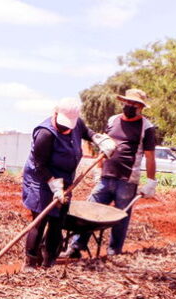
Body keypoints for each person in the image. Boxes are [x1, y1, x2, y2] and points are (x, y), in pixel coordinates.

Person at [64, 89, 157, 257]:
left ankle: (114, 252)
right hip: (106, 177)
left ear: (141, 107)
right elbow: (104, 145)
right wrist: (99, 170)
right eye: (127, 102)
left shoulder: (147, 127)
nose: (129, 106)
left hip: (127, 180)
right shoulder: (113, 120)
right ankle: (76, 247)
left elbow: (150, 157)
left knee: (120, 218)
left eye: (134, 104)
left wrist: (151, 181)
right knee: (89, 210)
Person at [21, 98, 110, 269]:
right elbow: (40, 165)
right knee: (40, 220)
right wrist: (54, 186)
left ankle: (49, 263)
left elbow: (87, 133)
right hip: (41, 179)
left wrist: (100, 140)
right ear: (55, 114)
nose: (66, 128)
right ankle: (31, 264)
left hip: (66, 181)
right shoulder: (45, 134)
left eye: (69, 125)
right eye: (63, 125)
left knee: (58, 222)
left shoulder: (75, 124)